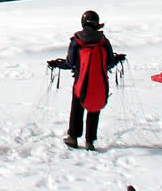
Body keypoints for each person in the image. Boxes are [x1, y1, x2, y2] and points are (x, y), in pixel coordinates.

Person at [48, 9, 125, 150]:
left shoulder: (76, 40)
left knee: (77, 107)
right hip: (100, 81)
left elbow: (70, 62)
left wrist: (58, 64)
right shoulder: (103, 41)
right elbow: (110, 62)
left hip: (80, 80)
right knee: (94, 107)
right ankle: (90, 141)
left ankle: (73, 137)